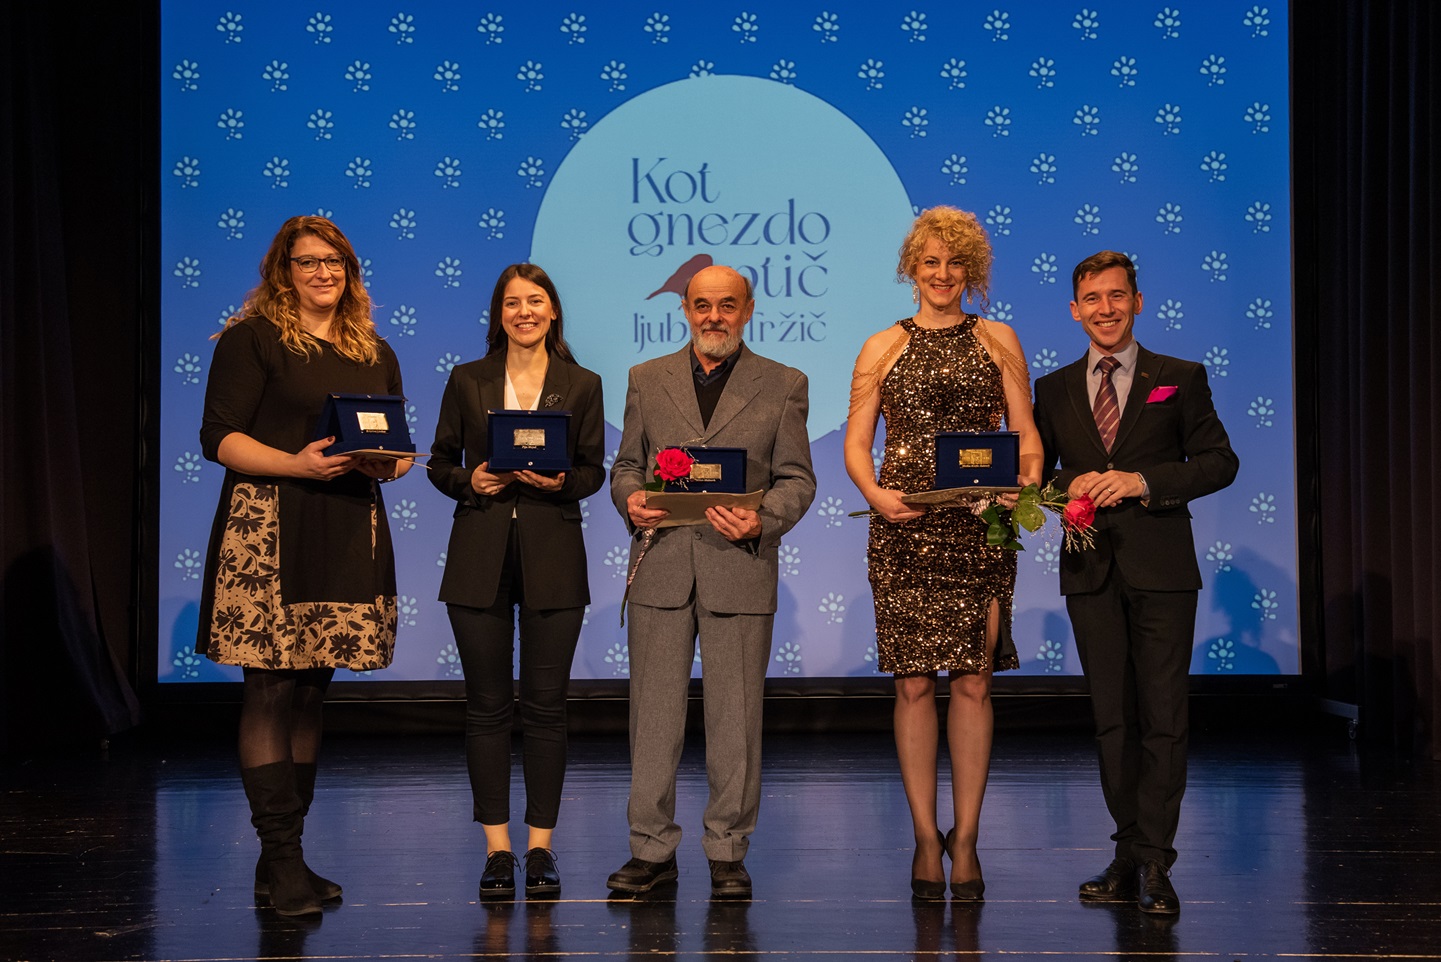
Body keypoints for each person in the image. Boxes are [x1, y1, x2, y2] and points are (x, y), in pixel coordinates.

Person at [197, 215, 411, 918]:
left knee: (313, 691)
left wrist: (395, 461)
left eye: (335, 262)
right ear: (282, 271)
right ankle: (283, 860)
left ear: (350, 272)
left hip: (347, 526)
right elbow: (219, 437)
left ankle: (281, 862)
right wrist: (295, 463)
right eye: (308, 262)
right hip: (270, 527)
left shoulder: (373, 351)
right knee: (269, 690)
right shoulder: (251, 339)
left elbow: (393, 441)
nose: (323, 273)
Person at [844, 206, 1041, 901]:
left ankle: (968, 839)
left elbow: (1026, 436)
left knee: (974, 681)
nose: (941, 274)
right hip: (902, 531)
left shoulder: (999, 340)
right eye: (929, 262)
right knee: (911, 683)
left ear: (972, 270)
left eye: (954, 263)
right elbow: (855, 445)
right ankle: (926, 838)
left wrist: (1014, 490)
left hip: (978, 533)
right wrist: (875, 494)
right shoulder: (879, 347)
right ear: (911, 268)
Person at [1033, 250, 1238, 916]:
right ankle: (1126, 854)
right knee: (1111, 722)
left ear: (1137, 302)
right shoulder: (1053, 387)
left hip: (1162, 569)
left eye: (1116, 296)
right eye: (1091, 299)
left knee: (1163, 720)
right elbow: (1035, 478)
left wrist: (1142, 482)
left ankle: (1155, 862)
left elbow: (1218, 462)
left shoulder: (1178, 377)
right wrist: (1071, 485)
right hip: (1089, 570)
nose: (1105, 309)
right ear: (1074, 310)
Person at [606, 264, 816, 899]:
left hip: (739, 567)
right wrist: (631, 500)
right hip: (663, 566)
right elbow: (627, 466)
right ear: (686, 309)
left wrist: (763, 519)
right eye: (702, 305)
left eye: (727, 305)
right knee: (654, 718)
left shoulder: (783, 384)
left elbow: (798, 480)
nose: (714, 316)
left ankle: (728, 850)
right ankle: (650, 850)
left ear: (748, 310)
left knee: (735, 718)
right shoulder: (647, 379)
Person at [428, 264, 605, 900]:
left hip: (554, 556)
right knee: (486, 707)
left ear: (553, 311)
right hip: (478, 555)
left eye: (535, 301)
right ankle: (497, 849)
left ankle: (541, 849)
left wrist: (564, 483)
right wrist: (467, 481)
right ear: (498, 313)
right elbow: (440, 462)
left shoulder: (582, 384)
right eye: (511, 303)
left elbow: (592, 471)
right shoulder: (467, 379)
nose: (523, 312)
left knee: (547, 708)